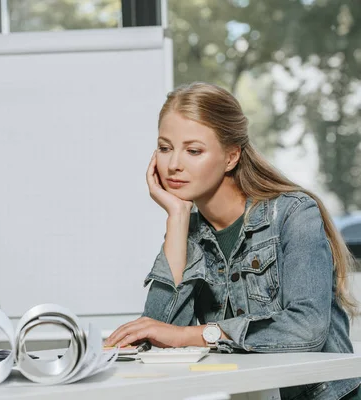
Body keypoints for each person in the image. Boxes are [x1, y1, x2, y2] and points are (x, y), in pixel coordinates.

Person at [104, 82, 360, 400]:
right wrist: (177, 218)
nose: (173, 165)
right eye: (165, 147)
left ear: (231, 157)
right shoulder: (188, 231)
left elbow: (307, 328)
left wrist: (196, 335)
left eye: (193, 150)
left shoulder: (293, 213)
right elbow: (158, 333)